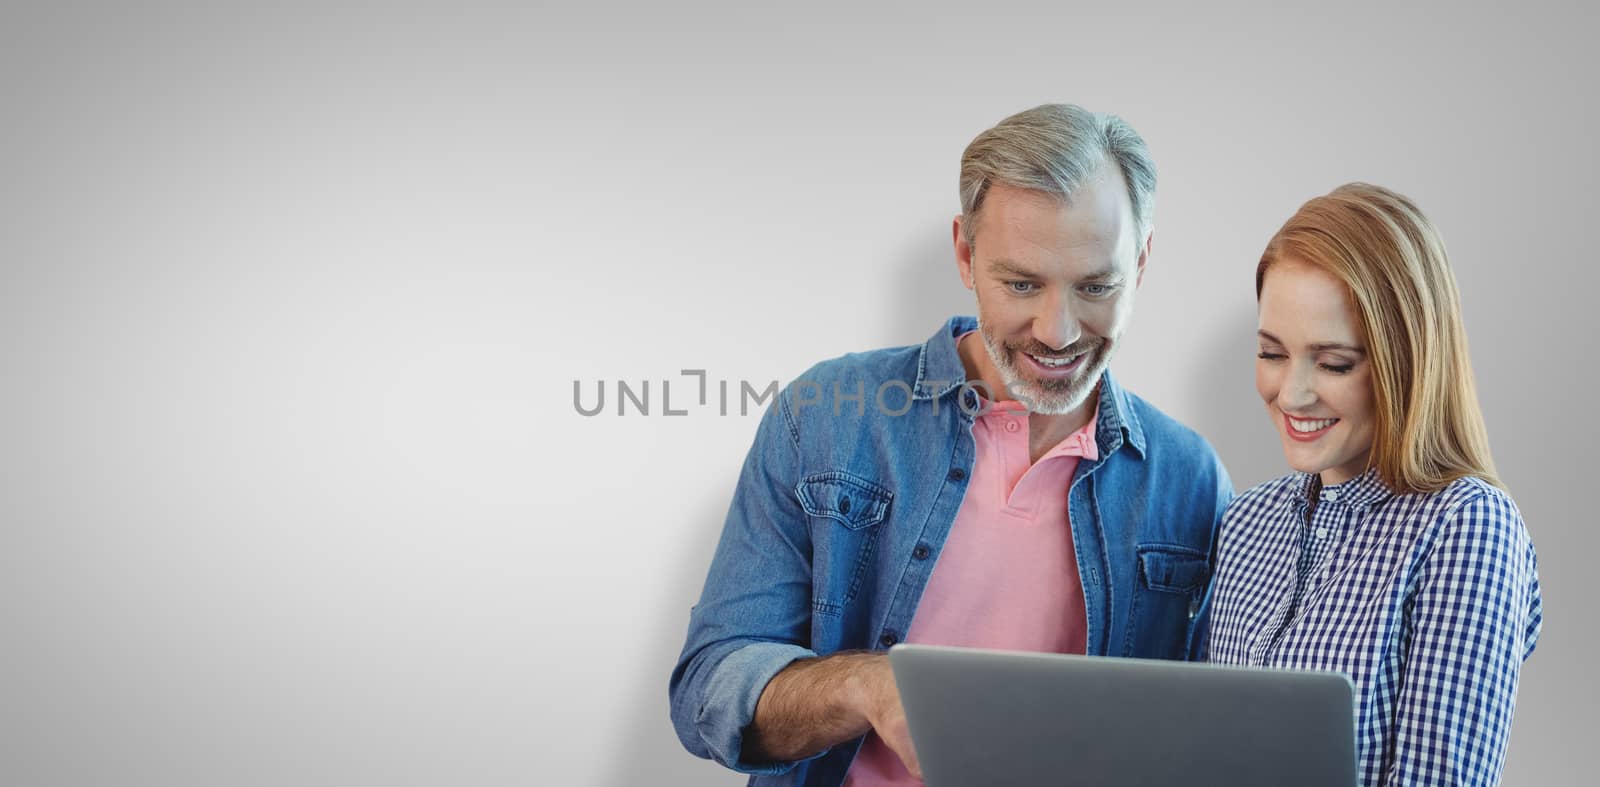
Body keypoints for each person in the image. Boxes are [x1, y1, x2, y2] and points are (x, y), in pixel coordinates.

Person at [669, 104, 1234, 786]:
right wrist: (865, 687)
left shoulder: (1191, 480)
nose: (1057, 331)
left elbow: (1211, 735)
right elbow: (706, 689)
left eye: (1095, 286)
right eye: (1021, 283)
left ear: (1140, 263)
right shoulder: (822, 418)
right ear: (964, 252)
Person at [1204, 183, 1543, 786]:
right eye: (1272, 353)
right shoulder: (1246, 522)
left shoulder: (1466, 526)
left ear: (1405, 362)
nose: (1293, 393)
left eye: (1333, 363)